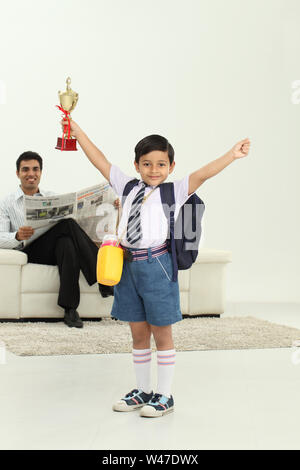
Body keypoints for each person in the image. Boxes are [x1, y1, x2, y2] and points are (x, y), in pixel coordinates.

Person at [63, 119, 250, 417]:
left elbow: (203, 174)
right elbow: (100, 161)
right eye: (147, 164)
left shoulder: (173, 192)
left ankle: (164, 395)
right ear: (136, 165)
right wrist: (79, 133)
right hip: (127, 266)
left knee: (161, 333)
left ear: (171, 166)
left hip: (158, 266)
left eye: (161, 164)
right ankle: (143, 390)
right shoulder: (126, 186)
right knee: (138, 333)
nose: (154, 170)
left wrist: (231, 155)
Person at [0, 151, 116, 328]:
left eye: (35, 169)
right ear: (18, 173)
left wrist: (112, 206)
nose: (31, 174)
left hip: (53, 249)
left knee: (66, 243)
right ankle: (102, 277)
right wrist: (16, 236)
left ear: (41, 172)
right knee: (67, 225)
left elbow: (78, 226)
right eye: (25, 170)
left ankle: (70, 309)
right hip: (29, 250)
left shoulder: (51, 196)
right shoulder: (6, 203)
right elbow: (0, 237)